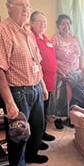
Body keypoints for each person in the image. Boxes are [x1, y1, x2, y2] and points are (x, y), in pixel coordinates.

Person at [0, 0, 49, 166]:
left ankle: (31, 155)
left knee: (38, 128)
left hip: (34, 88)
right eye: (21, 5)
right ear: (9, 6)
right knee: (18, 135)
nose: (26, 9)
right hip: (18, 92)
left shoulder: (27, 32)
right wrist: (9, 102)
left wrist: (41, 84)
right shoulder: (2, 31)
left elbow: (37, 62)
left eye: (28, 5)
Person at [49, 14, 83, 129]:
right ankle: (58, 118)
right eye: (63, 24)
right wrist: (60, 72)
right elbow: (51, 58)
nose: (66, 26)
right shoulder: (54, 39)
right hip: (61, 73)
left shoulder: (75, 38)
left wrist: (81, 69)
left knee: (74, 96)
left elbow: (81, 54)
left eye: (68, 23)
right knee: (60, 97)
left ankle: (70, 117)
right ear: (58, 25)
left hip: (76, 73)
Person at [30, 11, 57, 150]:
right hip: (40, 81)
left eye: (45, 22)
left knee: (45, 110)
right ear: (32, 23)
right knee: (38, 114)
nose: (43, 24)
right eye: (39, 22)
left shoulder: (45, 38)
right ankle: (36, 139)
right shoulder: (31, 37)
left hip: (50, 81)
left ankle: (42, 133)